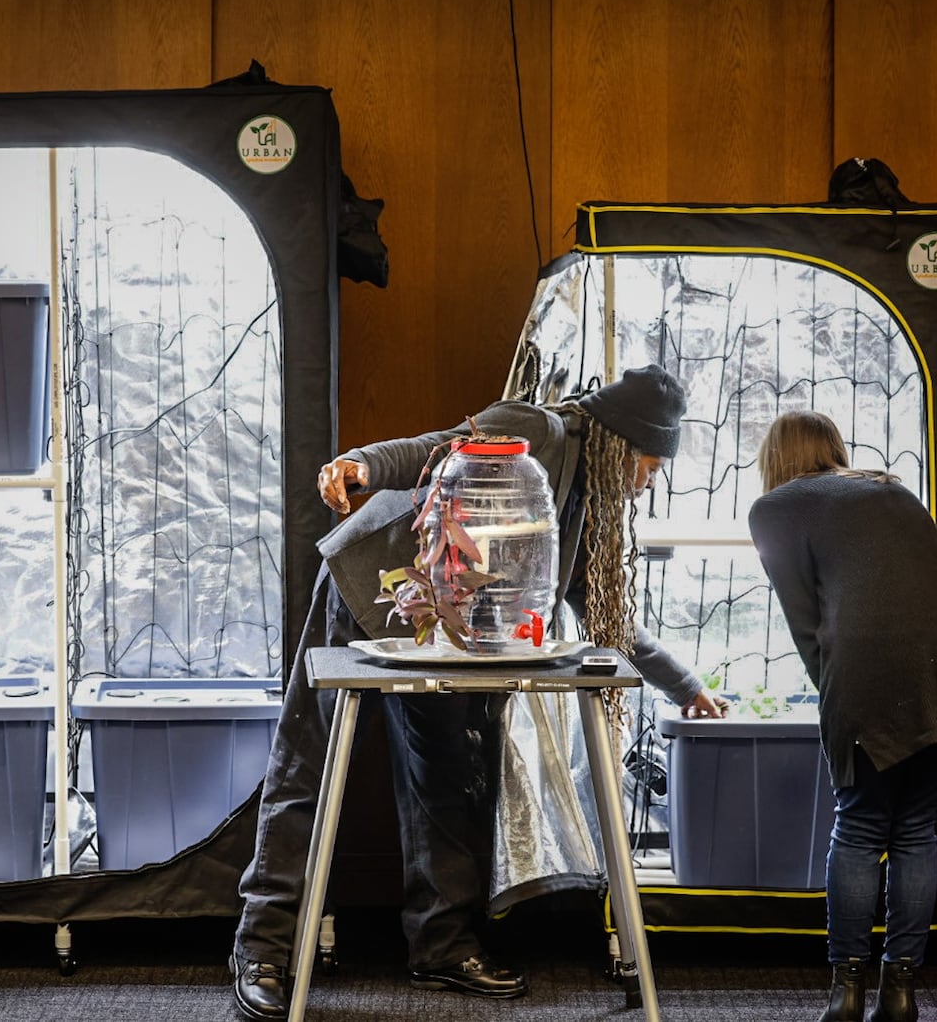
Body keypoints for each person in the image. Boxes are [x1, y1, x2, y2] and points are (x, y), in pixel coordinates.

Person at [229, 364, 725, 1020]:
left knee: (446, 772)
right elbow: (432, 448)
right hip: (374, 581)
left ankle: (441, 946)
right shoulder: (537, 431)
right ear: (621, 446)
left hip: (448, 622)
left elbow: (605, 619)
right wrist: (362, 465)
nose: (649, 481)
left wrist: (685, 686)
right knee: (308, 763)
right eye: (651, 464)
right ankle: (260, 948)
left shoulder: (581, 500)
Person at [746, 411, 937, 1022]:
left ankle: (845, 994)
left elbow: (807, 626)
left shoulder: (776, 509)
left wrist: (837, 705)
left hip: (875, 665)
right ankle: (899, 994)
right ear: (834, 450)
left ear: (776, 459)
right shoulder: (887, 487)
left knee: (861, 825)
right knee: (916, 826)